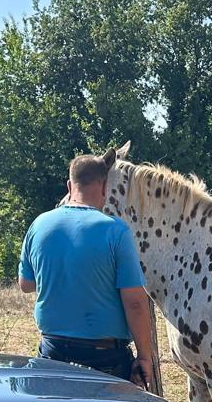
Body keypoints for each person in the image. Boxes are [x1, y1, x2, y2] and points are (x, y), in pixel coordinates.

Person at [18, 153, 155, 386]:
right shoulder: (116, 231)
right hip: (105, 357)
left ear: (70, 186)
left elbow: (26, 284)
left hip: (53, 351)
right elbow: (135, 302)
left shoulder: (39, 224)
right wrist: (144, 356)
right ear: (104, 187)